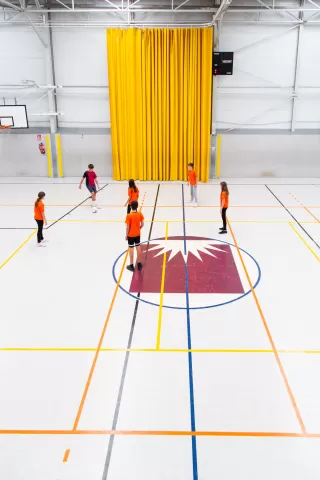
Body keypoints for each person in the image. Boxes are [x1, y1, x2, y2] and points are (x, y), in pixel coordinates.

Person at [125, 200, 144, 272]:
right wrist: (139, 228)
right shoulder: (139, 214)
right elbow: (142, 224)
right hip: (137, 234)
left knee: (131, 249)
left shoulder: (129, 216)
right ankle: (139, 264)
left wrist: (126, 235)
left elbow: (128, 227)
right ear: (137, 206)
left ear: (130, 207)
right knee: (138, 247)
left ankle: (131, 265)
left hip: (131, 235)